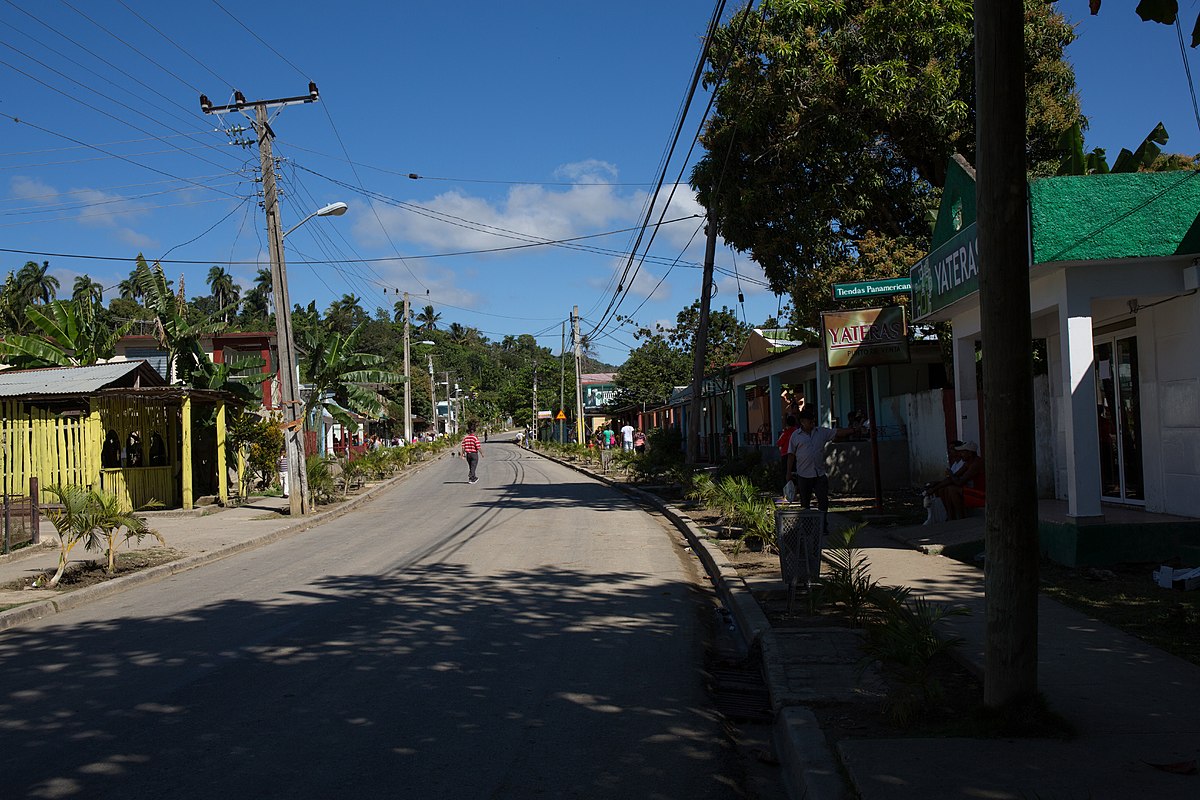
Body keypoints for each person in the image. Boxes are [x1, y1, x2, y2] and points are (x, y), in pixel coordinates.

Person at [783, 407, 853, 523]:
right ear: (802, 422)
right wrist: (788, 472)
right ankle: (807, 526)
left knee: (823, 500)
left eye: (813, 421)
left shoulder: (821, 432)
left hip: (819, 473)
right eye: (809, 421)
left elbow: (837, 432)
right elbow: (791, 455)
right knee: (805, 503)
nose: (812, 423)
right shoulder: (796, 436)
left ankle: (823, 523)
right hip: (803, 474)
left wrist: (853, 430)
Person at [925, 440, 984, 520]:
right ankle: (950, 515)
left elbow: (959, 482)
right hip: (974, 491)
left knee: (952, 489)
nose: (960, 454)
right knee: (945, 488)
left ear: (969, 453)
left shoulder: (976, 464)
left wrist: (951, 474)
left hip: (982, 494)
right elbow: (954, 477)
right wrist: (935, 487)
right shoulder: (968, 463)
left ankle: (960, 517)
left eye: (963, 452)